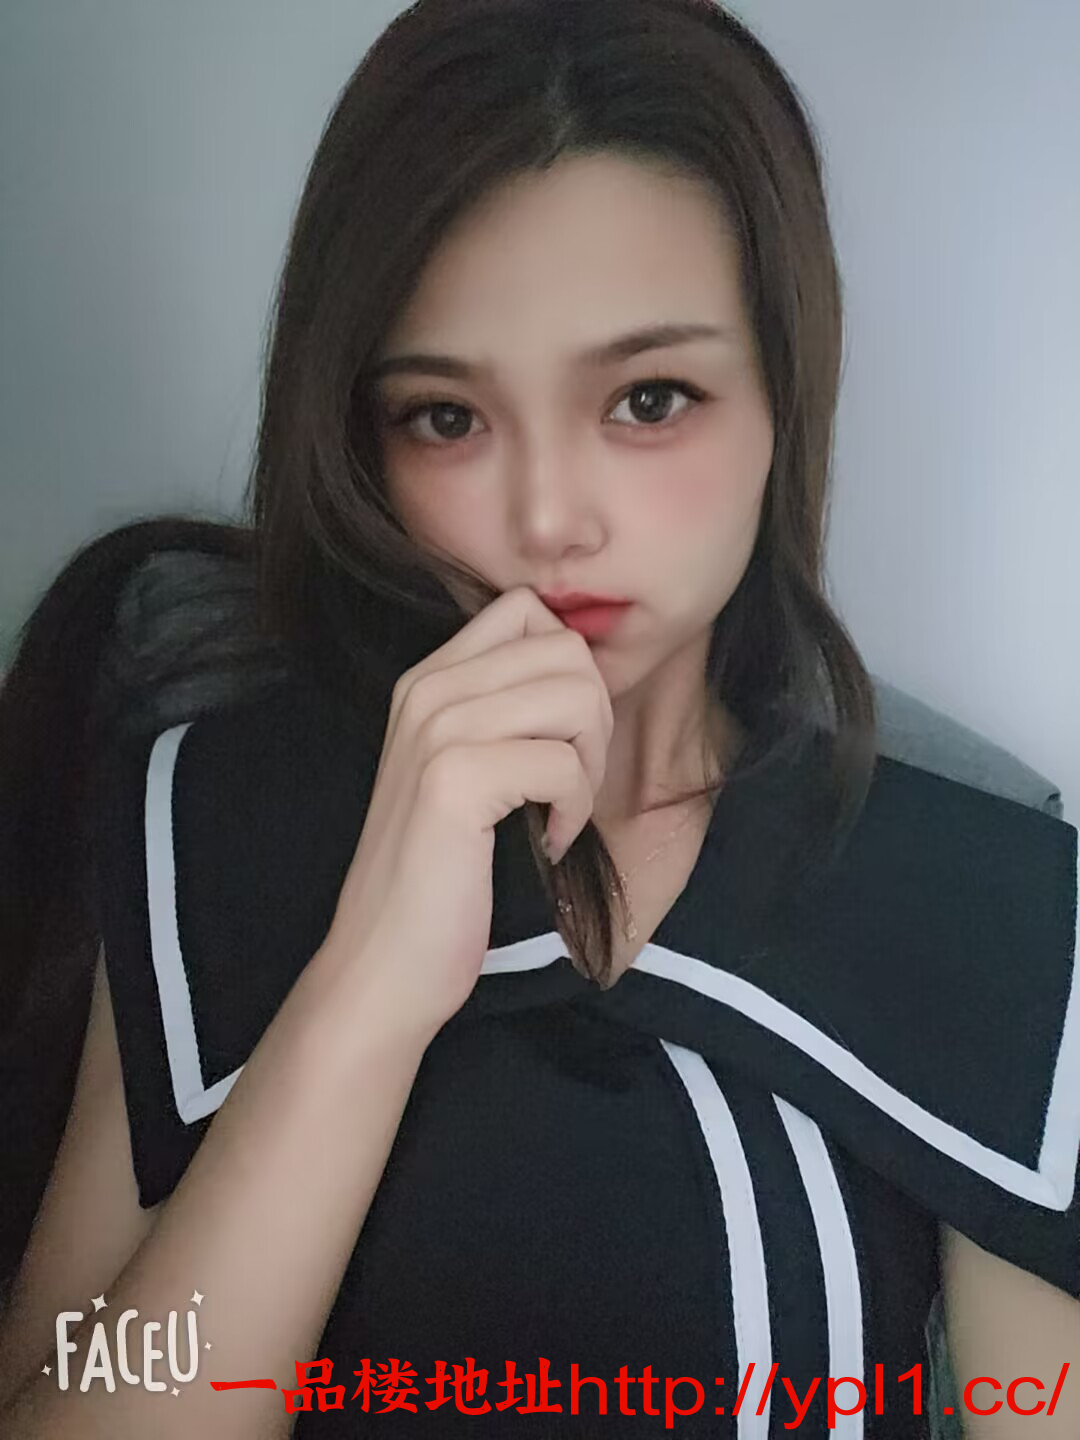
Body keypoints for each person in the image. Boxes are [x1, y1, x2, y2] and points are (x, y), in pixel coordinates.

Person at [0, 1, 1077, 1435]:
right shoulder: (211, 816)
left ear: (782, 394)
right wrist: (367, 989)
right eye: (447, 418)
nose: (548, 518)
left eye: (649, 398)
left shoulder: (986, 897)